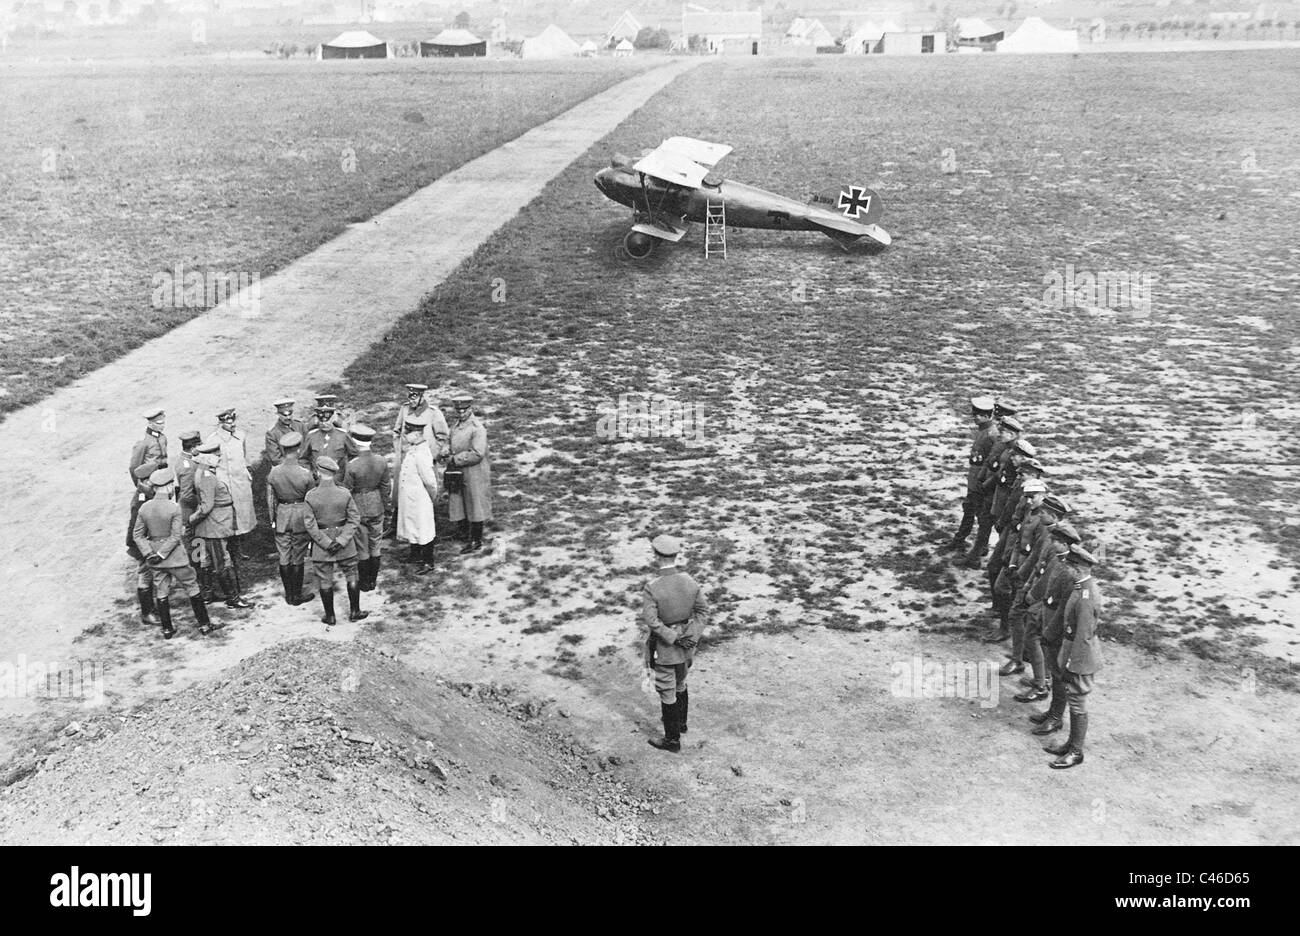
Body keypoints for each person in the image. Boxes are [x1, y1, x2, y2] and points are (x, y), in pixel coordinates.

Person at [641, 534, 709, 753]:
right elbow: (702, 611)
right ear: (676, 555)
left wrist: (671, 636)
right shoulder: (689, 581)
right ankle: (681, 723)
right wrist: (692, 636)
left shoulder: (653, 587)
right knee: (681, 680)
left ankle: (672, 740)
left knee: (666, 688)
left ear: (655, 556)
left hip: (666, 647)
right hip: (688, 645)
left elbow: (651, 620)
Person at [134, 469, 213, 638]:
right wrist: (163, 553)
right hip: (175, 557)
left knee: (161, 591)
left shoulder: (144, 508)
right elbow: (176, 536)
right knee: (192, 586)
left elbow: (137, 535)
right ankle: (205, 625)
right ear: (169, 486)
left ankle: (167, 629)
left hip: (155, 560)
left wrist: (150, 553)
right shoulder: (174, 508)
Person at [1044, 545, 1103, 769]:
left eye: (1069, 565)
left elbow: (1084, 636)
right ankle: (1070, 743)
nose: (1065, 569)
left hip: (1082, 658)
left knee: (1078, 703)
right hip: (1072, 652)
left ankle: (1076, 752)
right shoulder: (1081, 588)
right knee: (1073, 699)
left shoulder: (1088, 596)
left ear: (1078, 568)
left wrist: (1072, 665)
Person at [304, 456, 367, 625]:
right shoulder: (344, 493)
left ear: (318, 472)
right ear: (334, 473)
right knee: (352, 574)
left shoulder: (311, 496)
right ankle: (355, 611)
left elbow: (310, 525)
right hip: (345, 544)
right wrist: (342, 539)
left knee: (324, 579)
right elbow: (354, 519)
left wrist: (326, 543)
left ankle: (330, 616)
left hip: (321, 545)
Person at [189, 450, 252, 609]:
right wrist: (192, 519)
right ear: (207, 458)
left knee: (206, 561)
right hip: (215, 527)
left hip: (210, 526)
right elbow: (207, 506)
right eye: (215, 455)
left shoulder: (203, 473)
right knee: (223, 562)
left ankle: (206, 595)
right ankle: (233, 598)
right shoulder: (208, 477)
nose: (218, 458)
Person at [390, 383, 449, 537]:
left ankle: (430, 528)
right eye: (410, 397)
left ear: (422, 396)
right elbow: (397, 431)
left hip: (424, 459)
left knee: (426, 492)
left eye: (415, 397)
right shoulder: (404, 409)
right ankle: (397, 524)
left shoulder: (433, 413)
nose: (411, 400)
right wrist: (399, 449)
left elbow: (442, 436)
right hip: (405, 458)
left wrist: (431, 454)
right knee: (401, 492)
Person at [940, 396, 997, 553]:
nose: (975, 418)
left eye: (978, 415)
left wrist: (983, 483)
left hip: (981, 482)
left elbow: (992, 463)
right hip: (975, 479)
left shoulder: (992, 435)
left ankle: (980, 547)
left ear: (986, 415)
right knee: (969, 509)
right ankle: (961, 539)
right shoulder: (983, 431)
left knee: (981, 515)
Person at [266, 430, 314, 605]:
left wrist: (273, 520)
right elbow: (311, 499)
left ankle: (289, 595)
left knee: (284, 556)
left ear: (283, 450)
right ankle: (297, 594)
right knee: (298, 556)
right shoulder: (305, 473)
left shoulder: (274, 472)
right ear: (299, 449)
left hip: (282, 516)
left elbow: (270, 499)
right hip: (300, 516)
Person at [342, 424, 391, 590]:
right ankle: (373, 580)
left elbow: (347, 490)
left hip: (359, 506)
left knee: (362, 546)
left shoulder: (352, 465)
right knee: (375, 544)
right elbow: (386, 487)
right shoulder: (381, 461)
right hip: (377, 505)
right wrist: (386, 506)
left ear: (355, 443)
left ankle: (364, 582)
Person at [447, 393, 492, 554]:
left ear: (470, 409)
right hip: (459, 471)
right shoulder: (456, 425)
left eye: (463, 410)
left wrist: (455, 459)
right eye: (458, 410)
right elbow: (450, 440)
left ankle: (476, 539)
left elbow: (477, 454)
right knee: (459, 501)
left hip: (474, 472)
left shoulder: (477, 428)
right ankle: (463, 531)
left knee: (475, 504)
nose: (460, 413)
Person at [395, 411, 439, 572]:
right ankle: (415, 554)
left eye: (408, 432)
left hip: (420, 498)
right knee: (412, 526)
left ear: (417, 433)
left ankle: (428, 560)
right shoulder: (414, 449)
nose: (405, 435)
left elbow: (429, 480)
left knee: (424, 528)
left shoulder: (422, 452)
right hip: (410, 497)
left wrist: (432, 496)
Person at [209, 407, 257, 546]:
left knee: (243, 514)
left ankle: (241, 546)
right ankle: (230, 547)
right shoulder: (213, 439)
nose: (232, 425)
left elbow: (243, 455)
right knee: (228, 516)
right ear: (221, 423)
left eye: (233, 421)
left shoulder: (240, 435)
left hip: (240, 482)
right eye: (228, 422)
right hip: (225, 483)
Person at [127, 461, 160, 626]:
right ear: (147, 480)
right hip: (142, 544)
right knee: (145, 575)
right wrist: (144, 549)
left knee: (148, 574)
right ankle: (147, 613)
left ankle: (150, 609)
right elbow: (136, 530)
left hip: (145, 542)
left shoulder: (146, 494)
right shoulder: (141, 500)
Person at [304, 400, 357, 482]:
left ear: (333, 418)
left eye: (327, 420)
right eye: (321, 421)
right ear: (318, 419)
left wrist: (347, 475)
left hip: (338, 480)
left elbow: (354, 456)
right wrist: (310, 475)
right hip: (317, 481)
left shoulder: (343, 435)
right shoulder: (311, 436)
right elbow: (303, 458)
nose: (324, 424)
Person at [175, 430, 204, 572]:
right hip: (190, 509)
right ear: (193, 448)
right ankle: (197, 572)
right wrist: (201, 503)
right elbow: (186, 495)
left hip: (189, 508)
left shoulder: (186, 460)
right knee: (194, 541)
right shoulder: (188, 466)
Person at [129, 409, 168, 485]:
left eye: (163, 423)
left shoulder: (162, 438)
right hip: (149, 481)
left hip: (163, 478)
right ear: (150, 423)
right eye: (159, 423)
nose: (163, 426)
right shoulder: (143, 441)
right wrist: (139, 485)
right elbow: (134, 467)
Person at [264, 398, 306, 467]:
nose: (288, 418)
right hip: (287, 468)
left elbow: (307, 447)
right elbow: (275, 459)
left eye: (290, 414)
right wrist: (294, 467)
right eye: (284, 415)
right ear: (278, 414)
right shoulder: (272, 434)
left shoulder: (301, 426)